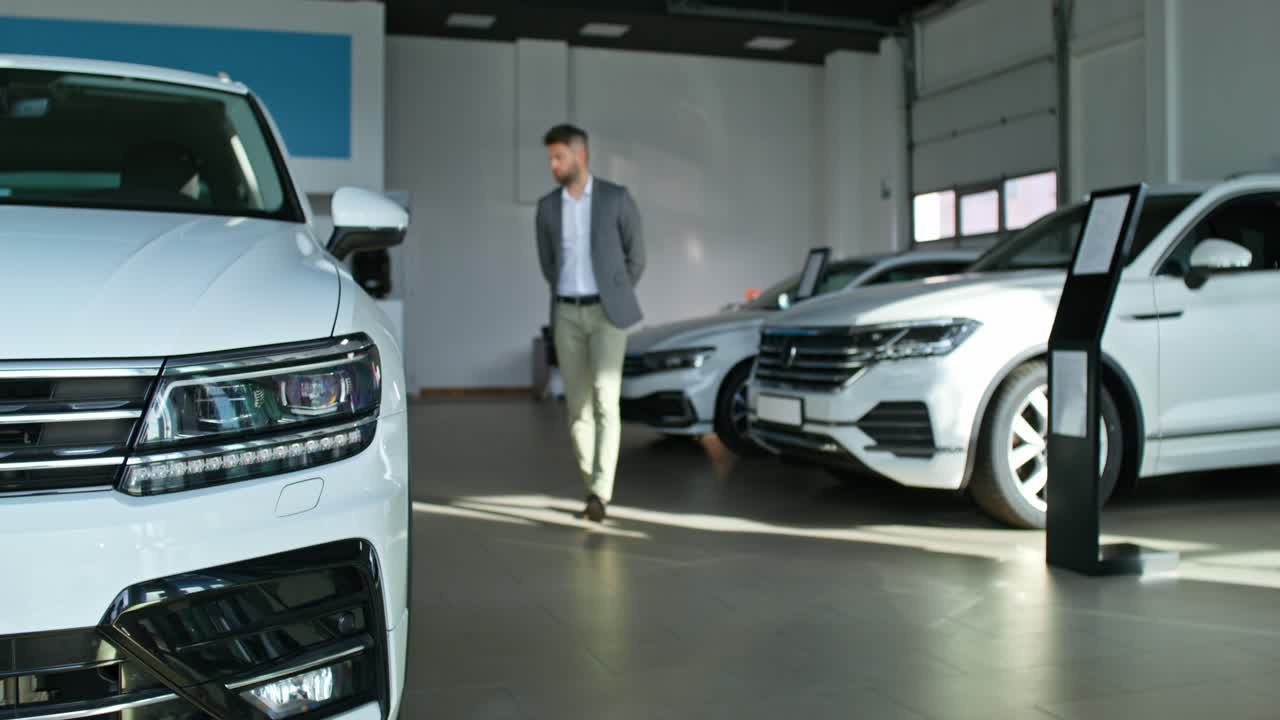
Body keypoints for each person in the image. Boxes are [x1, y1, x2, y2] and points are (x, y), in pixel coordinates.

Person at [535, 124, 645, 522]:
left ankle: (600, 491)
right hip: (565, 313)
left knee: (605, 398)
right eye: (550, 158)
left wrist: (615, 294)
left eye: (558, 156)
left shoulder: (616, 199)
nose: (552, 164)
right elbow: (549, 263)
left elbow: (637, 257)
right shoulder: (547, 207)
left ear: (580, 156)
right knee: (577, 406)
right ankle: (592, 485)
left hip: (607, 314)